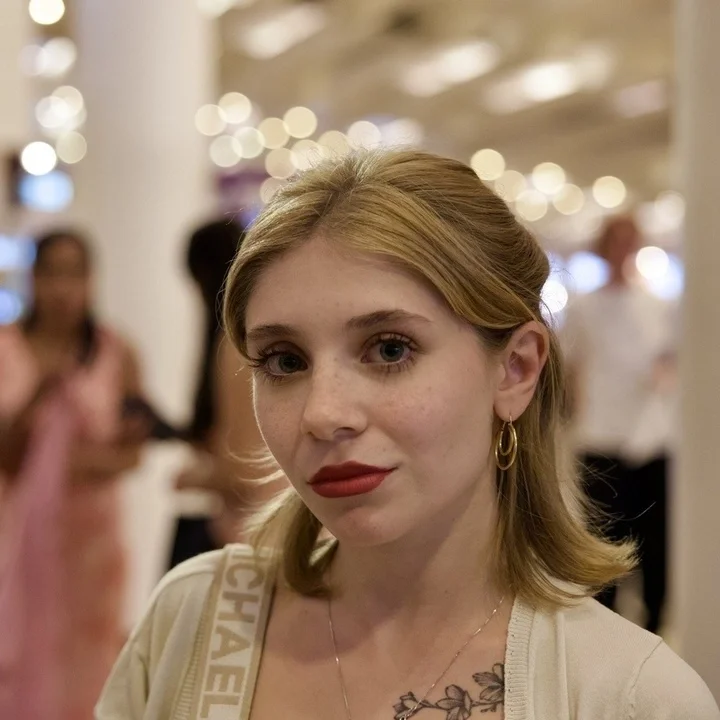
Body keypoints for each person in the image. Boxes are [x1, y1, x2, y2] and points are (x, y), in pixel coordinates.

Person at [96, 150, 719, 720]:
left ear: (515, 369)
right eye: (285, 361)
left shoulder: (629, 697)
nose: (323, 413)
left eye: (390, 349)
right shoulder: (191, 622)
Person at [0, 230, 149, 720]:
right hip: (16, 536)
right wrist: (39, 400)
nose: (63, 288)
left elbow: (132, 453)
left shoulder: (115, 351)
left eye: (75, 274)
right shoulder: (6, 348)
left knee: (91, 659)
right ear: (34, 278)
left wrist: (71, 462)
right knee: (17, 650)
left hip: (91, 541)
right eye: (52, 273)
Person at [563, 216, 676, 633]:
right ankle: (605, 630)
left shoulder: (656, 306)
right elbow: (572, 367)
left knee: (654, 541)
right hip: (601, 436)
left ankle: (654, 623)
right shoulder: (585, 307)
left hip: (649, 438)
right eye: (617, 241)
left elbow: (669, 360)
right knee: (604, 541)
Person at [168, 219, 279, 569]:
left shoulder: (236, 346)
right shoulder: (251, 341)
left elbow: (244, 471)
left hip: (252, 534)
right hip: (261, 528)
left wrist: (193, 477)